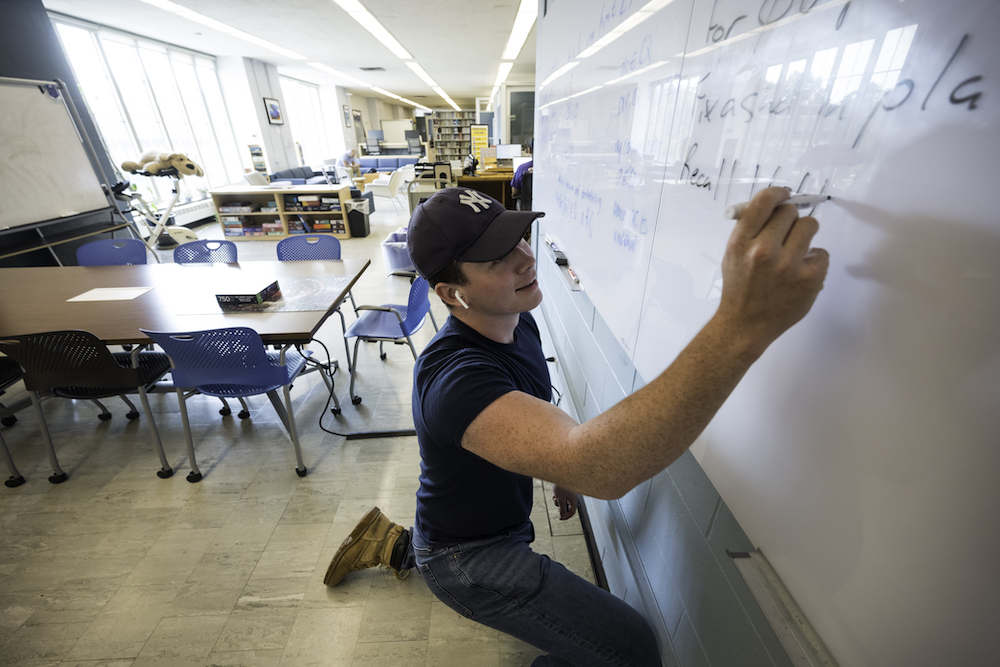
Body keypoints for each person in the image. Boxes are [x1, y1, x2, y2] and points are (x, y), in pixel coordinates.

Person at [324, 186, 829, 665]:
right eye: (498, 259)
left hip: (490, 523)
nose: (526, 257)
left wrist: (559, 462)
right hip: (468, 558)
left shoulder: (517, 317)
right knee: (630, 648)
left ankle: (389, 542)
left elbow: (542, 414)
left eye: (517, 237)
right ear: (453, 294)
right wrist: (741, 325)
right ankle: (408, 550)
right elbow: (601, 469)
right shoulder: (456, 381)